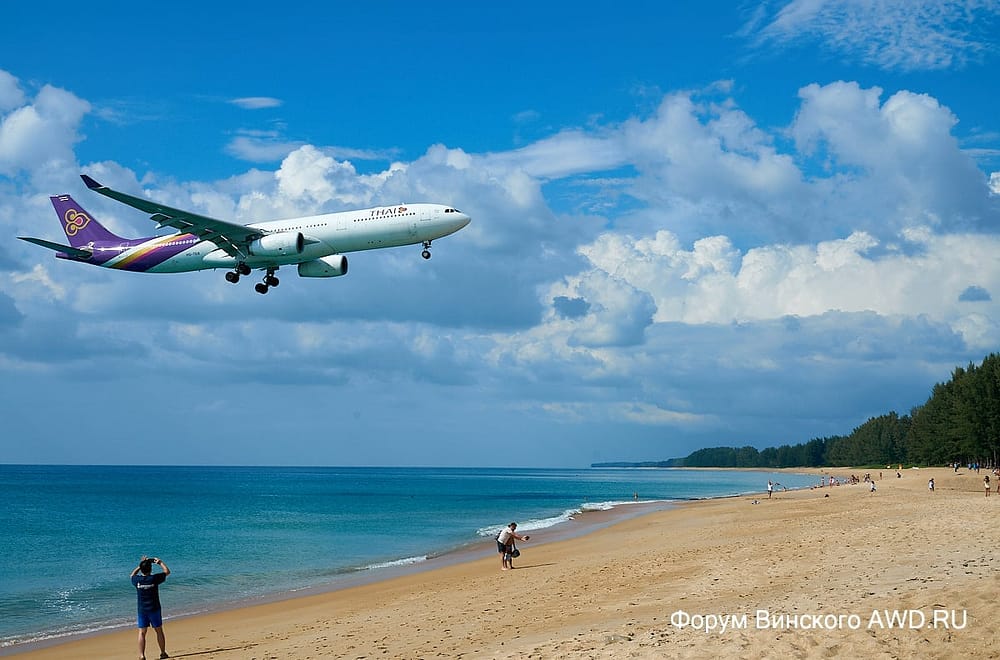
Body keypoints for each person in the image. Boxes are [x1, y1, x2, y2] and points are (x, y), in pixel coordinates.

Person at [130, 555, 171, 660]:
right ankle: (162, 652)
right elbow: (167, 572)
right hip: (154, 609)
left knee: (142, 633)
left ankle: (142, 655)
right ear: (151, 569)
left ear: (142, 570)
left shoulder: (137, 580)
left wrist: (141, 565)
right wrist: (160, 562)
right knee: (159, 631)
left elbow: (132, 575)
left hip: (142, 610)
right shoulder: (154, 578)